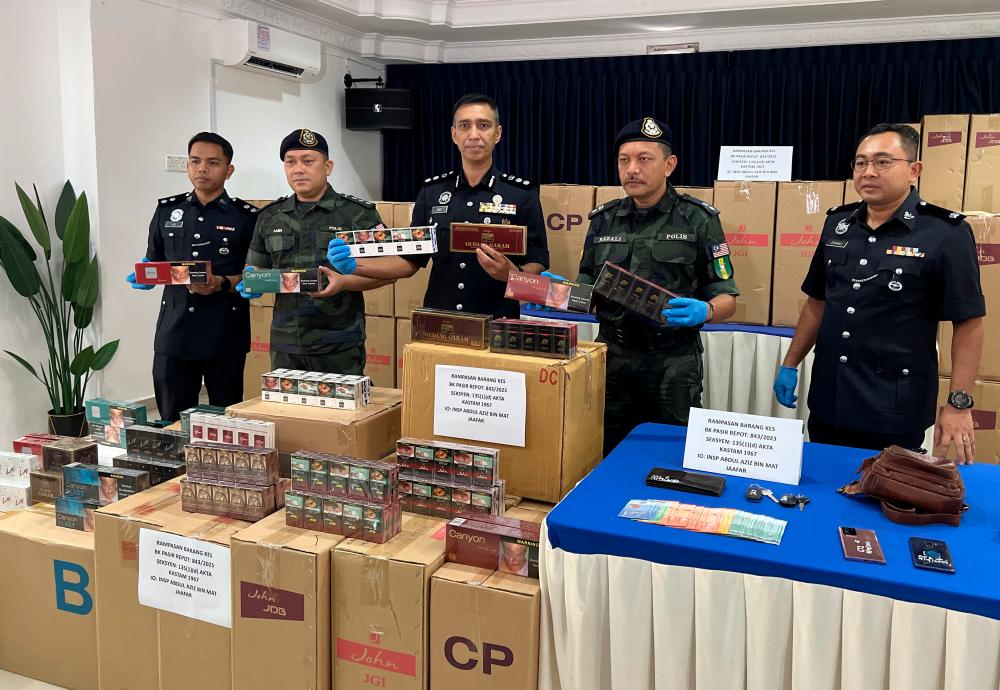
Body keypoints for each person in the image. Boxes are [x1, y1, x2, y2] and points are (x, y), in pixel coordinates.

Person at [773, 123, 985, 463]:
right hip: (831, 397)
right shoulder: (838, 224)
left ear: (914, 170)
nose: (868, 172)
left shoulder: (945, 232)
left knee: (884, 502)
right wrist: (790, 363)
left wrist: (959, 402)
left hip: (894, 406)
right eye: (860, 163)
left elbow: (969, 322)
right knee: (822, 495)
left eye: (883, 162)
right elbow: (818, 300)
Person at [578, 117, 740, 456]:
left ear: (669, 165)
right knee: (604, 452)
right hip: (612, 359)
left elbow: (727, 296)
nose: (632, 169)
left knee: (671, 457)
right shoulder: (603, 220)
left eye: (644, 159)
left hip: (672, 362)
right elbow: (585, 288)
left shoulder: (699, 220)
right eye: (624, 160)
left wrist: (706, 310)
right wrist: (556, 290)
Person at [327, 93, 549, 317]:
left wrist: (512, 274)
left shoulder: (521, 194)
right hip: (440, 319)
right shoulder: (432, 192)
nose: (474, 135)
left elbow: (537, 262)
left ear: (497, 133)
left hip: (497, 319)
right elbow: (409, 262)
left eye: (483, 125)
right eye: (464, 126)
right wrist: (355, 265)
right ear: (454, 134)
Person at [126, 132, 257, 421]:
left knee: (226, 420)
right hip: (175, 329)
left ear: (228, 170)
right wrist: (146, 274)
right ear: (187, 166)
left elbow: (254, 272)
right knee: (171, 418)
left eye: (213, 162)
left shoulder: (246, 217)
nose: (202, 169)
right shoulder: (167, 211)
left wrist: (224, 283)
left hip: (224, 330)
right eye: (195, 161)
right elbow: (155, 259)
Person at [238, 128, 389, 373]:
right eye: (290, 162)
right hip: (286, 342)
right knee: (286, 411)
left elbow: (388, 270)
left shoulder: (358, 214)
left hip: (339, 341)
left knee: (340, 412)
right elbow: (256, 265)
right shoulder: (270, 216)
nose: (298, 169)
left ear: (327, 166)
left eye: (308, 161)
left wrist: (344, 282)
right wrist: (253, 281)